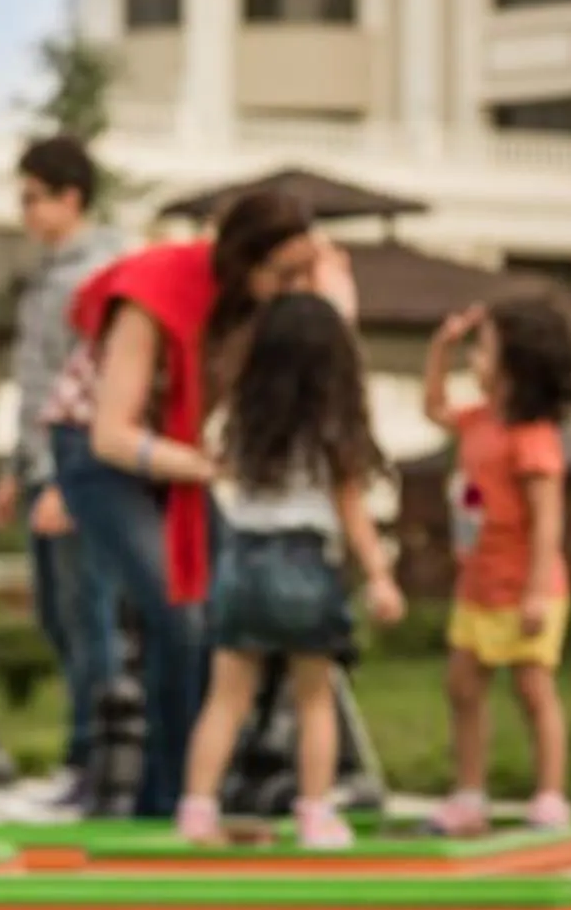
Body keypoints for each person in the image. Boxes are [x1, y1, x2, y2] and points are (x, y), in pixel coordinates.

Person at [61, 189, 355, 819]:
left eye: (304, 274)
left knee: (222, 610)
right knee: (183, 611)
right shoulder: (155, 293)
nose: (295, 290)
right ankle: (173, 800)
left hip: (181, 454)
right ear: (247, 262)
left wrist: (333, 290)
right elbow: (111, 435)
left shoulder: (256, 306)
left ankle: (206, 787)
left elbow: (323, 358)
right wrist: (211, 467)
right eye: (286, 274)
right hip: (99, 453)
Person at [177, 292, 402, 850]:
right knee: (314, 698)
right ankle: (315, 813)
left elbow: (220, 469)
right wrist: (379, 575)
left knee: (226, 698)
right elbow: (350, 506)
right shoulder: (330, 425)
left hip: (243, 557)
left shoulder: (245, 418)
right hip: (303, 560)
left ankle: (198, 807)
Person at [0, 136, 129, 810]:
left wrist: (70, 483)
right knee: (60, 616)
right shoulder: (48, 275)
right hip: (44, 468)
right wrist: (16, 471)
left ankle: (98, 760)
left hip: (80, 472)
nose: (25, 212)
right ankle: (89, 757)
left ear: (72, 198)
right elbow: (37, 385)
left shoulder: (96, 274)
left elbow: (99, 389)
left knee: (88, 617)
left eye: (34, 198)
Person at [422, 294, 571, 834]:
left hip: (525, 588)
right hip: (479, 587)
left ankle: (550, 795)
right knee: (462, 687)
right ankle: (469, 794)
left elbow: (548, 521)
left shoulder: (532, 439)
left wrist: (536, 592)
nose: (475, 361)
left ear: (517, 368)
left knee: (533, 690)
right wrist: (440, 349)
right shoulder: (478, 421)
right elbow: (433, 408)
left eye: (484, 351)